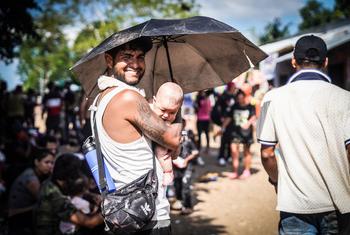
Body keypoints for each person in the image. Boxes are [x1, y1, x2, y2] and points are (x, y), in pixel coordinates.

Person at [257, 35, 350, 235]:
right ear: (326, 61)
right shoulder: (345, 98)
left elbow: (267, 154)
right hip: (337, 204)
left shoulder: (272, 98)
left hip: (293, 205)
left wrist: (277, 182)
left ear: (293, 61)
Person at [91, 37, 182, 234]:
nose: (135, 64)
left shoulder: (100, 98)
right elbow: (174, 141)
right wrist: (177, 108)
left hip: (124, 210)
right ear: (109, 60)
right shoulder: (128, 97)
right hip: (146, 214)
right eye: (127, 57)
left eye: (140, 57)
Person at [35, 153, 103, 235]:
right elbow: (89, 223)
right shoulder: (54, 195)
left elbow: (72, 191)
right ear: (70, 177)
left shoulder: (53, 181)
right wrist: (108, 211)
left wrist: (91, 195)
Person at [8, 148, 55, 235]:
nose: (50, 166)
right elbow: (43, 199)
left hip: (28, 211)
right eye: (46, 162)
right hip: (18, 215)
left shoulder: (35, 173)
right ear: (36, 162)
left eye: (52, 163)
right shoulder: (31, 179)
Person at [150, 82, 183, 186]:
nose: (166, 115)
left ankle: (168, 171)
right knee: (162, 149)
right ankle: (168, 171)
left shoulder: (172, 122)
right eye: (163, 110)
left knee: (163, 150)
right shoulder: (147, 109)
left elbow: (174, 152)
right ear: (154, 101)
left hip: (164, 154)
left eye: (172, 112)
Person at [221, 89, 256, 179]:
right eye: (238, 98)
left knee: (246, 152)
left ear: (244, 97)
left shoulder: (250, 107)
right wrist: (223, 127)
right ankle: (235, 171)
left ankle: (247, 170)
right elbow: (229, 118)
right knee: (233, 151)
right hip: (235, 132)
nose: (240, 100)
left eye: (241, 98)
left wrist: (248, 124)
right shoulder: (234, 106)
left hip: (246, 133)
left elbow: (254, 116)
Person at [172, 119, 199, 215]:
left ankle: (188, 206)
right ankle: (180, 202)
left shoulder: (188, 136)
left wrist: (186, 160)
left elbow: (195, 152)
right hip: (176, 165)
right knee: (177, 184)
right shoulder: (171, 136)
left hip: (188, 165)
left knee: (185, 184)